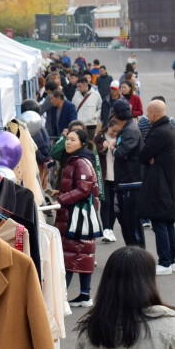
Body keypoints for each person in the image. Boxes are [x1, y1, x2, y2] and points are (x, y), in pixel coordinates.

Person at [52, 128, 100, 308]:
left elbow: (83, 189)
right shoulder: (75, 160)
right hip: (73, 214)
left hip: (75, 215)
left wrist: (61, 199)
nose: (68, 142)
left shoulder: (81, 162)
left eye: (73, 139)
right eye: (67, 139)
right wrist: (61, 192)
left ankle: (61, 297)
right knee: (81, 253)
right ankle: (84, 295)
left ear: (82, 143)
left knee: (71, 254)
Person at [139, 100, 175, 275]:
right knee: (167, 222)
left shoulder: (158, 132)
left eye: (148, 113)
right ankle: (171, 260)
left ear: (153, 113)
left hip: (160, 183)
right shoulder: (170, 128)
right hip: (170, 183)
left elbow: (143, 155)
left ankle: (164, 262)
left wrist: (151, 157)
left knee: (159, 222)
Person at [109, 99, 145, 248]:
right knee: (124, 219)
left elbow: (122, 153)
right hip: (125, 182)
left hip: (131, 182)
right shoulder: (127, 129)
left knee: (131, 220)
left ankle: (138, 253)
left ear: (116, 115)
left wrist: (112, 148)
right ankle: (132, 251)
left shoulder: (130, 131)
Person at [94, 119, 119, 244]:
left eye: (117, 131)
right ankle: (106, 229)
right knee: (105, 202)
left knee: (114, 205)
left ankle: (110, 229)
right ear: (108, 126)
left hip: (117, 176)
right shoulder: (100, 137)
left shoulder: (121, 137)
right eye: (113, 131)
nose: (114, 133)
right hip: (103, 175)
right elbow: (95, 151)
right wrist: (103, 146)